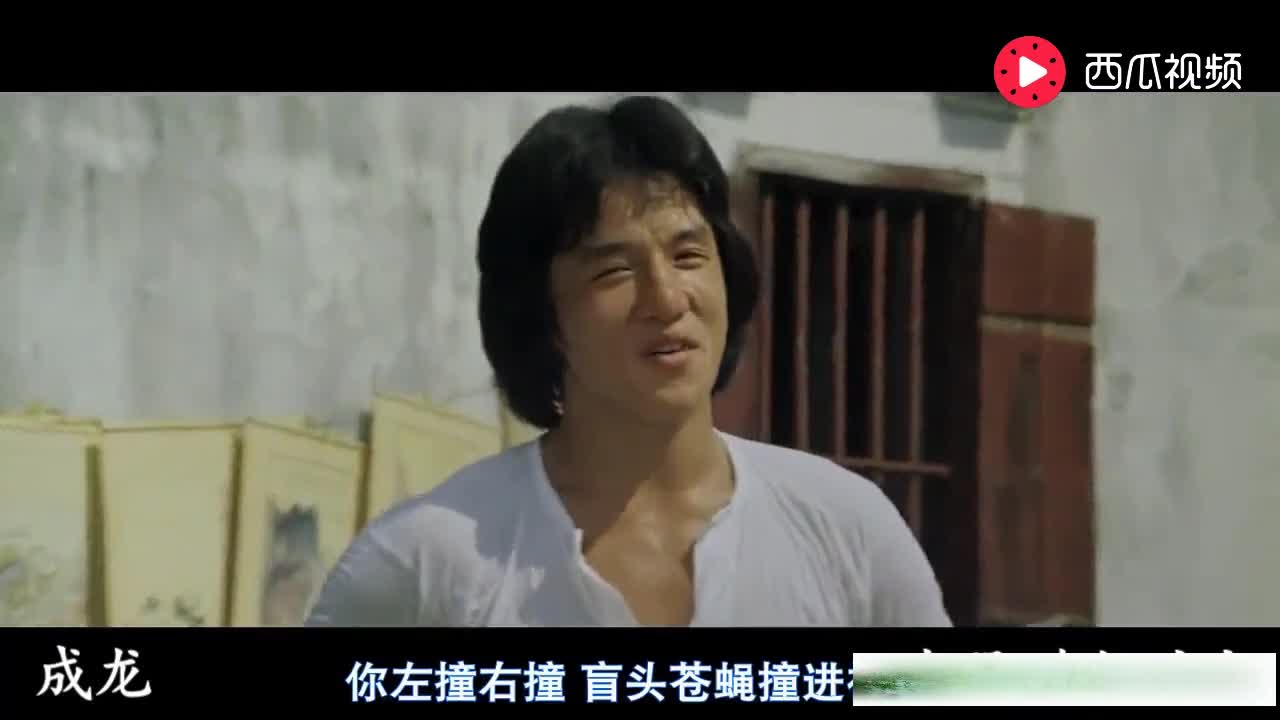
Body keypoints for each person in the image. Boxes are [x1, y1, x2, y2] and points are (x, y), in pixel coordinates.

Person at [304, 95, 951, 627]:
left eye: (689, 256)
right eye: (614, 270)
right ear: (541, 316)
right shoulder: (425, 564)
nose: (667, 299)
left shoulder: (848, 532)